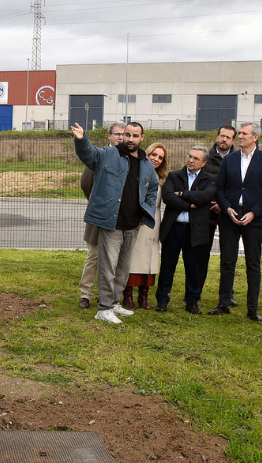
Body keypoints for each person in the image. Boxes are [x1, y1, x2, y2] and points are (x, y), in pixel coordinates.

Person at [72, 121, 159, 324]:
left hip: (133, 225)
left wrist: (145, 212)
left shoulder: (146, 163)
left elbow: (152, 190)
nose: (129, 139)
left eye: (135, 136)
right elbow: (89, 155)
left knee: (122, 268)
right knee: (107, 268)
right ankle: (103, 308)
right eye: (127, 135)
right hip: (111, 223)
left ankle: (114, 304)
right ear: (123, 136)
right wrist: (82, 139)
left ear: (142, 138)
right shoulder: (108, 155)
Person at [210, 122, 262, 321]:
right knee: (227, 261)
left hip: (253, 220)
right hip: (229, 217)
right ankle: (223, 303)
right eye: (239, 133)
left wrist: (254, 213)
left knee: (253, 264)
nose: (239, 136)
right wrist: (227, 208)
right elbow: (220, 189)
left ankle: (252, 308)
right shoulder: (230, 159)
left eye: (244, 133)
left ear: (255, 137)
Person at [158, 146, 216, 313]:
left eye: (196, 158)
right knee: (168, 265)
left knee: (193, 267)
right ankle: (162, 300)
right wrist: (190, 204)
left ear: (204, 162)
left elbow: (205, 197)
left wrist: (182, 194)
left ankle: (192, 301)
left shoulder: (210, 179)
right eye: (190, 156)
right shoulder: (175, 175)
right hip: (174, 228)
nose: (191, 160)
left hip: (195, 230)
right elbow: (168, 197)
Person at [77, 124, 126, 308]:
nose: (121, 138)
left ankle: (108, 295)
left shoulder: (129, 158)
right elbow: (86, 183)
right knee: (94, 256)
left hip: (119, 219)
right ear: (109, 136)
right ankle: (86, 293)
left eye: (124, 134)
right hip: (99, 216)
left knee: (114, 260)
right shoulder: (100, 156)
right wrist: (99, 203)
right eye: (118, 134)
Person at [127, 142, 169, 309]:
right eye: (154, 155)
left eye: (160, 157)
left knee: (150, 259)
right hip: (137, 220)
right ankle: (127, 295)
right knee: (133, 257)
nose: (156, 159)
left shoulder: (162, 178)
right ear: (148, 154)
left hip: (154, 222)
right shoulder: (137, 171)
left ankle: (143, 296)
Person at [203, 125, 237, 305]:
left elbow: (238, 186)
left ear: (233, 141)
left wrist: (223, 205)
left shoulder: (238, 159)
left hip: (227, 212)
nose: (224, 140)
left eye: (228, 137)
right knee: (202, 254)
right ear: (217, 137)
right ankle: (196, 291)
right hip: (206, 211)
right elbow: (200, 181)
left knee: (228, 257)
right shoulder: (206, 157)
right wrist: (211, 202)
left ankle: (227, 295)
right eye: (222, 136)